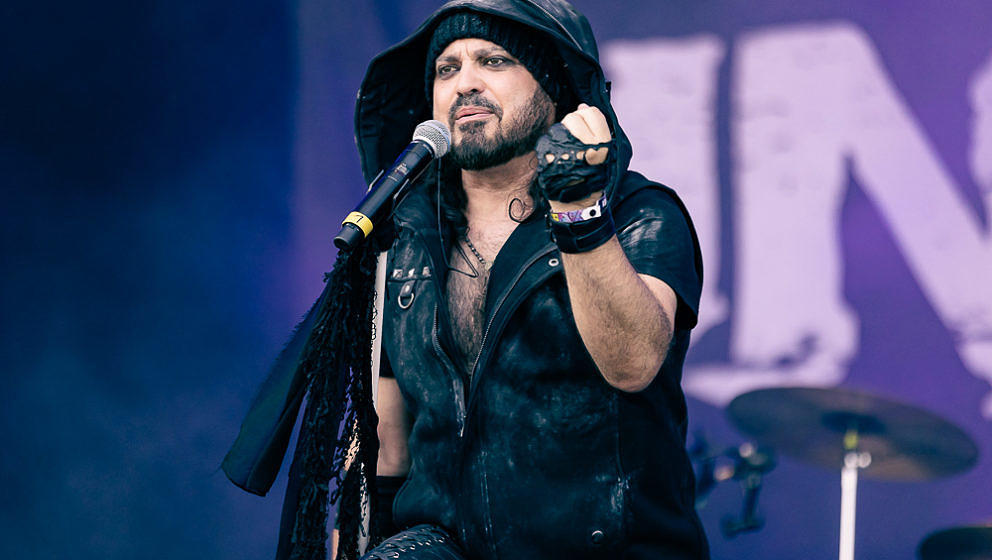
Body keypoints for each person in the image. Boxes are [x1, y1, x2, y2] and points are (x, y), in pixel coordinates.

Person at [352, 1, 708, 559]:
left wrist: (579, 209)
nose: (465, 83)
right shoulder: (404, 239)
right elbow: (387, 446)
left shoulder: (639, 213)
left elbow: (633, 364)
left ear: (554, 87)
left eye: (493, 61)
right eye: (447, 69)